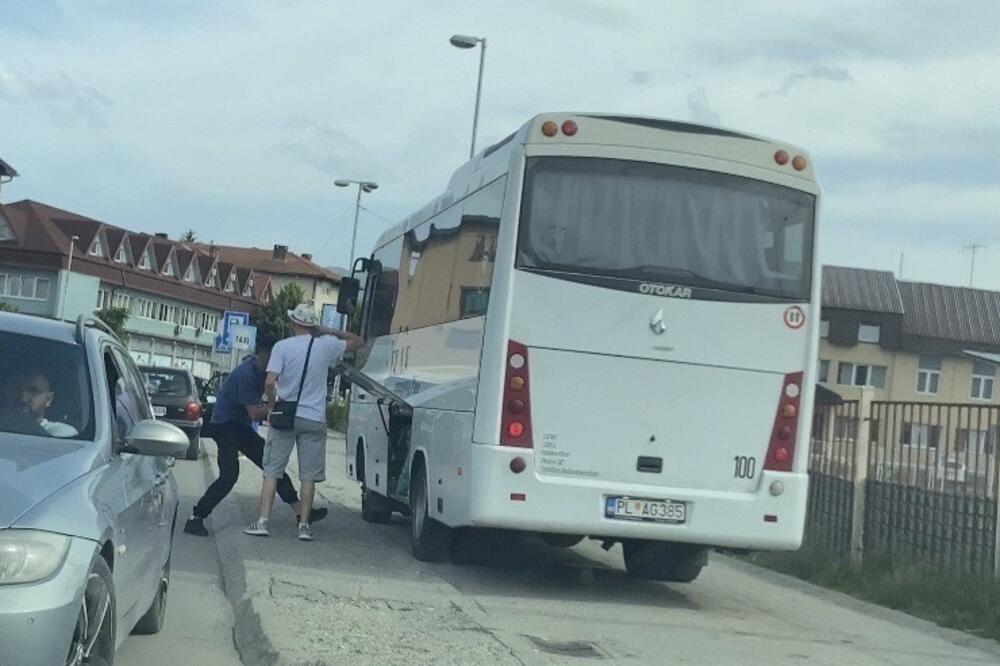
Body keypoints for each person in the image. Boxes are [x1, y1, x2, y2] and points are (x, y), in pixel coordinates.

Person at [184, 336, 328, 537]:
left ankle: (300, 512)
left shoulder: (263, 372)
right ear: (261, 355)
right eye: (272, 359)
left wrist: (272, 400)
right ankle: (196, 517)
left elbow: (264, 399)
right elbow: (255, 413)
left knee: (272, 465)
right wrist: (277, 408)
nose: (276, 364)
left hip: (239, 426)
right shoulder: (246, 375)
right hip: (224, 426)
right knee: (229, 476)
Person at [245, 304, 364, 542]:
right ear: (313, 326)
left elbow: (269, 382)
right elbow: (358, 341)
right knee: (308, 476)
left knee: (272, 471)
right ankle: (304, 527)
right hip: (313, 417)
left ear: (293, 324)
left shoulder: (282, 347)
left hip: (284, 416)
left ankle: (263, 522)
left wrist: (270, 405)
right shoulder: (326, 345)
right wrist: (329, 330)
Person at [19, 371, 78, 438]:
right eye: (19, 390)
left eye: (33, 391)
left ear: (48, 399)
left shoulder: (61, 432)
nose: (23, 398)